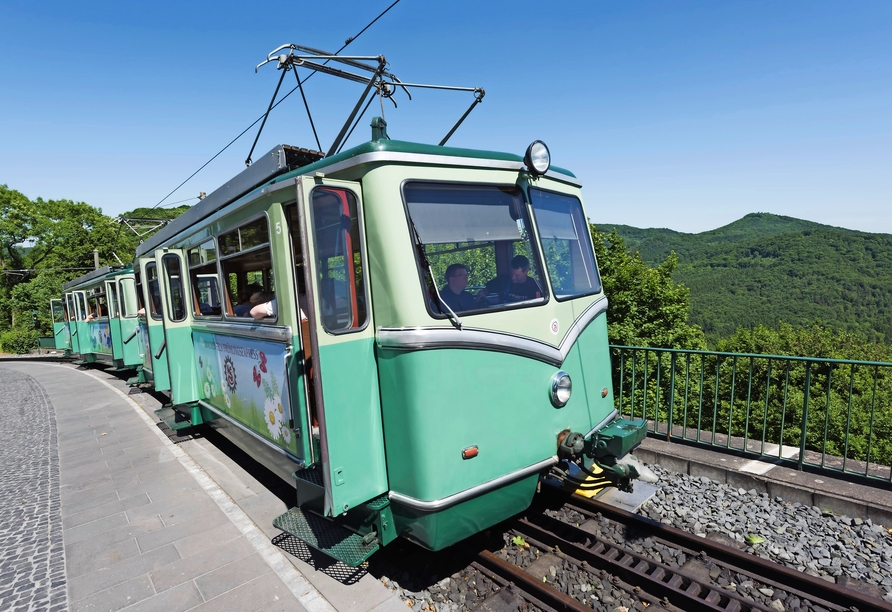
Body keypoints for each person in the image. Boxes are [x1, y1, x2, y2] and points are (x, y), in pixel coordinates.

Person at [477, 255, 543, 305]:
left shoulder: (535, 285)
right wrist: (481, 299)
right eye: (511, 273)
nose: (513, 277)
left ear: (526, 271)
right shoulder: (502, 280)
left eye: (517, 275)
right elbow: (483, 292)